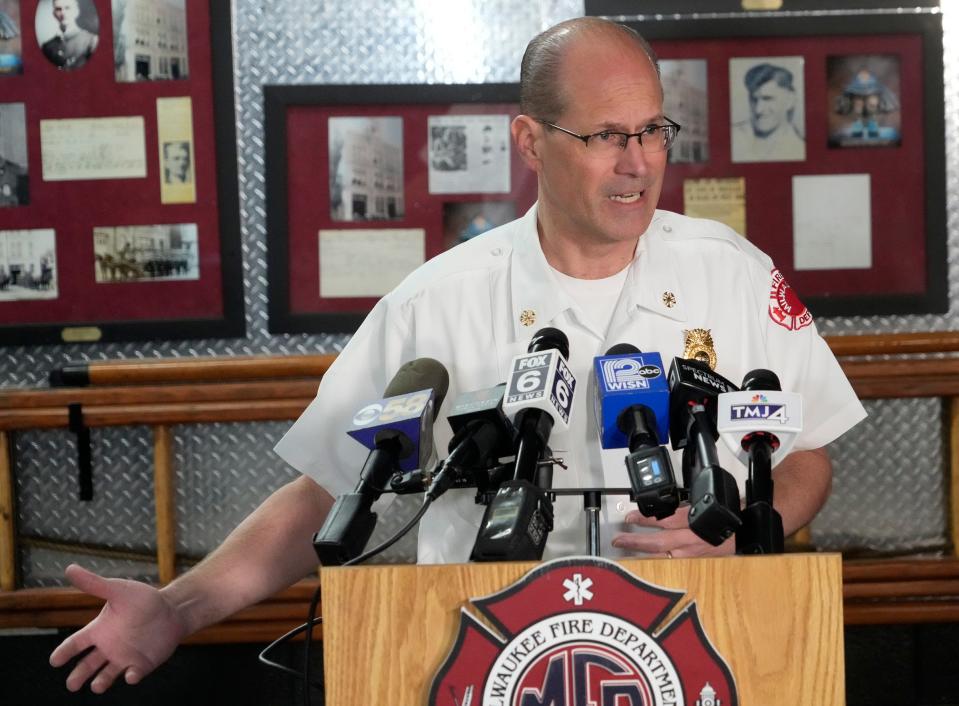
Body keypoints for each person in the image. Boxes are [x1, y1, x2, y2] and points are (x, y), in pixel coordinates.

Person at [50, 17, 866, 693]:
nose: (637, 163)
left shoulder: (731, 272)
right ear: (529, 141)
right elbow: (330, 490)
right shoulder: (435, 301)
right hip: (490, 666)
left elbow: (805, 460)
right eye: (605, 136)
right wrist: (178, 608)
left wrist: (747, 529)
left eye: (653, 129)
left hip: (706, 659)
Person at [731, 62, 805, 162]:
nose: (758, 109)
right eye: (754, 99)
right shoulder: (732, 136)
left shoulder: (799, 149)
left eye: (768, 99)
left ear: (790, 100)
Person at [40, 0, 98, 70]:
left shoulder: (91, 40)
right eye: (58, 9)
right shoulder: (47, 47)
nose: (63, 13)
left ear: (76, 11)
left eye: (67, 8)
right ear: (54, 14)